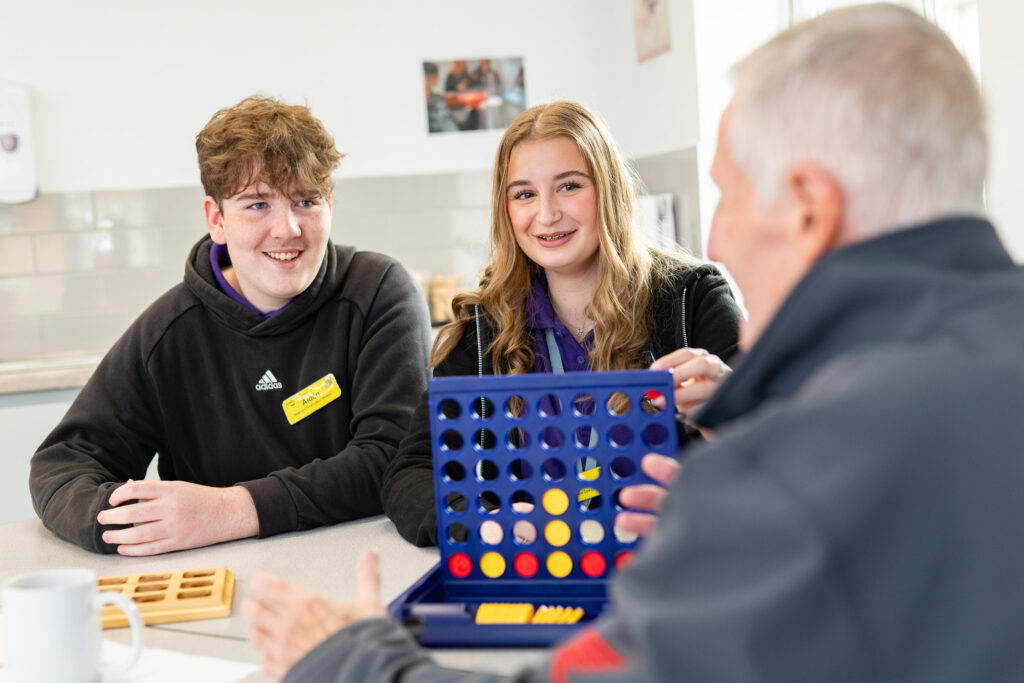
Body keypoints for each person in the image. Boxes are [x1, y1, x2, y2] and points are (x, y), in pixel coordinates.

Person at [244, 4, 1024, 681]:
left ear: (809, 207)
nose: (715, 232)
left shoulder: (788, 461)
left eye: (728, 194)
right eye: (523, 193)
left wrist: (345, 656)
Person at [29, 95, 431, 556]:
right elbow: (61, 466)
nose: (288, 229)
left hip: (367, 561)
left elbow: (398, 460)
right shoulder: (169, 332)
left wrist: (231, 510)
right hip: (225, 579)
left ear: (329, 206)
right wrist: (133, 522)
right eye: (257, 205)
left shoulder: (378, 292)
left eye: (305, 200)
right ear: (216, 219)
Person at [381, 99, 741, 547]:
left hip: (672, 568)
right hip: (542, 571)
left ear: (607, 190)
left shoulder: (692, 300)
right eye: (525, 194)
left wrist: (732, 408)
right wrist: (484, 525)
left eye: (569, 186)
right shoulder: (484, 328)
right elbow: (412, 472)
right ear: (506, 210)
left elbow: (780, 451)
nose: (547, 214)